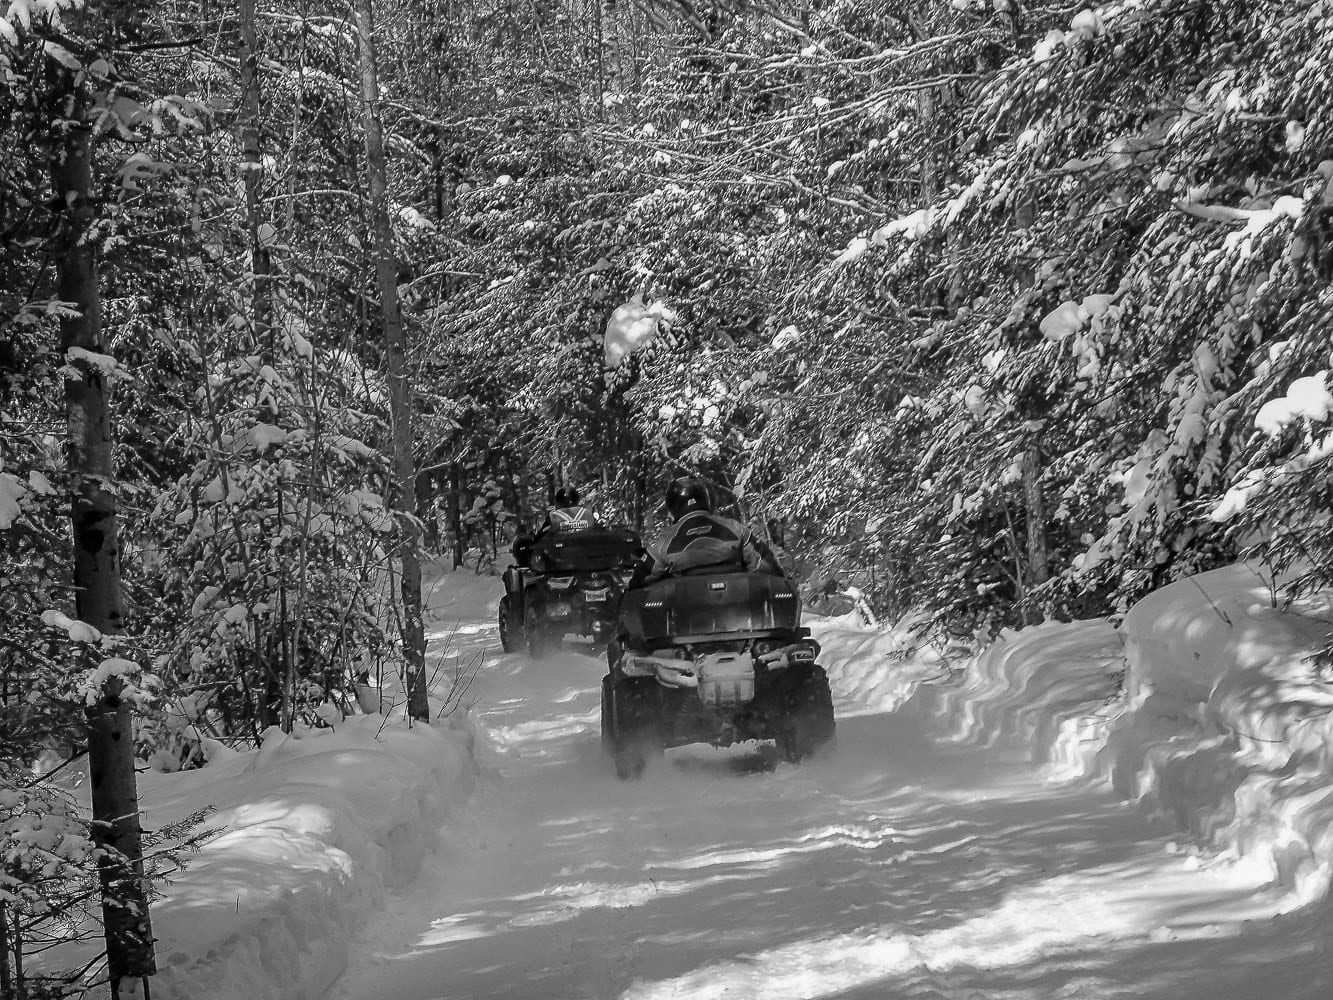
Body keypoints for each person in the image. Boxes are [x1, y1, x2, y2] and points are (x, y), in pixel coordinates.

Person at [628, 476, 782, 586]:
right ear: (707, 500)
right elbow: (764, 563)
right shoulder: (734, 527)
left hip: (685, 613)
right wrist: (779, 581)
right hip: (738, 605)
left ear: (673, 505)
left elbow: (646, 573)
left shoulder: (666, 538)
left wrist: (633, 586)